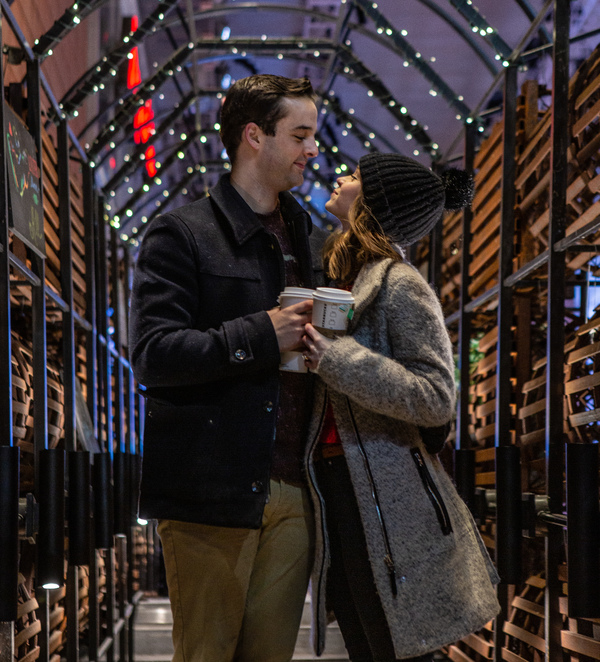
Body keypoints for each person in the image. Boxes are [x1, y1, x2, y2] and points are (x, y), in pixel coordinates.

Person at [129, 73, 328, 662]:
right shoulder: (183, 233)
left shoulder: (306, 236)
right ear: (253, 137)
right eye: (300, 135)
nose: (312, 149)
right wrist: (261, 332)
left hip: (294, 488)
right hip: (210, 492)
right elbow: (155, 354)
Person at [302, 153, 500, 662]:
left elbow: (436, 396)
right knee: (366, 641)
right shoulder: (342, 275)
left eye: (357, 176)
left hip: (388, 493)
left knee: (396, 646)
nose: (342, 176)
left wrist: (335, 358)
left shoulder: (400, 281)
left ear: (375, 202)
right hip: (336, 483)